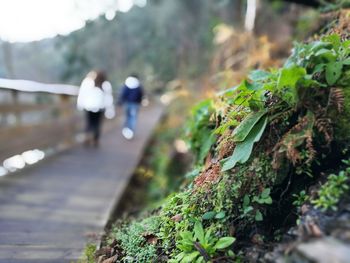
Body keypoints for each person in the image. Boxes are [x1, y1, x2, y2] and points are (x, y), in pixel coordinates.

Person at [77, 70, 115, 147]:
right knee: (97, 124)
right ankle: (95, 139)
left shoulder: (87, 82)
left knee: (89, 122)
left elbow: (82, 94)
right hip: (100, 107)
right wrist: (110, 109)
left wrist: (80, 104)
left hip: (89, 106)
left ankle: (87, 136)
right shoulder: (106, 84)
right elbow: (108, 98)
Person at [119, 74, 143, 140]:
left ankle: (126, 130)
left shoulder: (126, 83)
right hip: (135, 104)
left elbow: (123, 93)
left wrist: (121, 101)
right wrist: (139, 101)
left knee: (127, 117)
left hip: (127, 103)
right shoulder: (138, 85)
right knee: (133, 118)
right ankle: (131, 132)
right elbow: (140, 94)